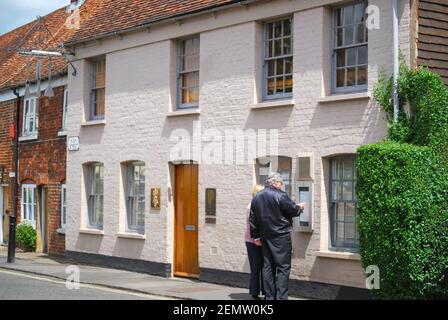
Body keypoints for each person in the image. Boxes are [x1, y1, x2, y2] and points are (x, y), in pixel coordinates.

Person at [250, 172, 304, 300]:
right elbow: (293, 210)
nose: (281, 186)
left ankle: (269, 297)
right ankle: (281, 297)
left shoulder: (257, 197)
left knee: (268, 267)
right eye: (280, 183)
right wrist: (299, 207)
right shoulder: (280, 195)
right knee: (283, 267)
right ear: (275, 183)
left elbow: (252, 219)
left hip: (265, 237)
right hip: (281, 236)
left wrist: (256, 236)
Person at [245, 184, 265, 300]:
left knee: (264, 267)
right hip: (252, 241)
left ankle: (266, 291)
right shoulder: (251, 206)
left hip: (261, 241)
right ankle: (254, 292)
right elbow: (251, 226)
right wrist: (256, 239)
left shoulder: (260, 206)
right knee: (256, 267)